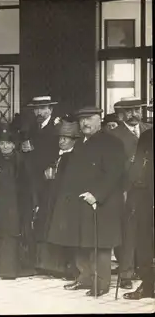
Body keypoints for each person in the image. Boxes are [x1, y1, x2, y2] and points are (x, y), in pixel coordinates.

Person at [46, 106, 125, 297]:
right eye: (82, 120)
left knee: (100, 243)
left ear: (100, 120)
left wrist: (96, 195)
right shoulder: (81, 143)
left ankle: (101, 283)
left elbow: (115, 174)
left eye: (89, 119)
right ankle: (84, 277)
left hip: (101, 201)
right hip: (80, 200)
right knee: (81, 240)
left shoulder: (112, 142)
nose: (85, 123)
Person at [0, 125, 36, 279]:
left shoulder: (20, 159)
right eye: (2, 143)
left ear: (13, 144)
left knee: (13, 234)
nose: (5, 146)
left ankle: (10, 269)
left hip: (16, 203)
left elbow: (27, 183)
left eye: (8, 143)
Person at [109, 98, 152, 290]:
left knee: (147, 231)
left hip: (149, 188)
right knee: (128, 232)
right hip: (128, 190)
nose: (134, 114)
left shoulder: (148, 129)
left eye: (137, 110)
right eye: (129, 111)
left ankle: (146, 272)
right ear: (121, 114)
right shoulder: (114, 135)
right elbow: (112, 167)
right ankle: (125, 273)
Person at [34, 119, 82, 280]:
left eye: (65, 138)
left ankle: (68, 268)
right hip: (52, 199)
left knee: (65, 233)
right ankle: (53, 267)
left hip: (66, 201)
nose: (61, 141)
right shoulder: (57, 155)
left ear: (73, 140)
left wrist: (55, 177)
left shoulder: (75, 156)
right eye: (60, 138)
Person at [20, 96, 61, 272]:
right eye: (36, 109)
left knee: (49, 217)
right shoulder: (33, 128)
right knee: (38, 218)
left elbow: (60, 152)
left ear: (50, 110)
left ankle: (52, 264)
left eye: (43, 108)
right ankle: (39, 261)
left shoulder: (58, 128)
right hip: (35, 180)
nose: (39, 112)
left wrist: (51, 166)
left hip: (51, 180)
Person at [123, 104, 154, 300]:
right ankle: (148, 285)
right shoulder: (147, 136)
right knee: (144, 242)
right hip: (146, 196)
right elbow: (137, 169)